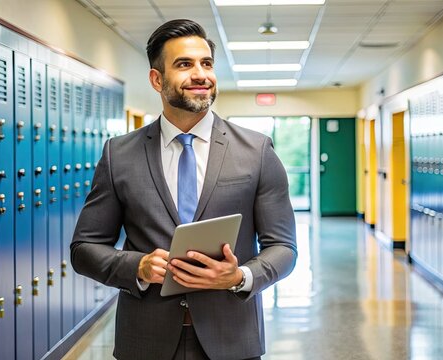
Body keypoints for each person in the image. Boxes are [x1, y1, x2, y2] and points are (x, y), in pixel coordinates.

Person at [70, 19, 297, 360]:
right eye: (184, 64)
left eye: (206, 63)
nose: (200, 74)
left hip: (232, 339)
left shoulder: (257, 151)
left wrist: (240, 276)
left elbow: (283, 247)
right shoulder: (119, 154)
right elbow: (84, 247)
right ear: (156, 79)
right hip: (144, 341)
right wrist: (138, 267)